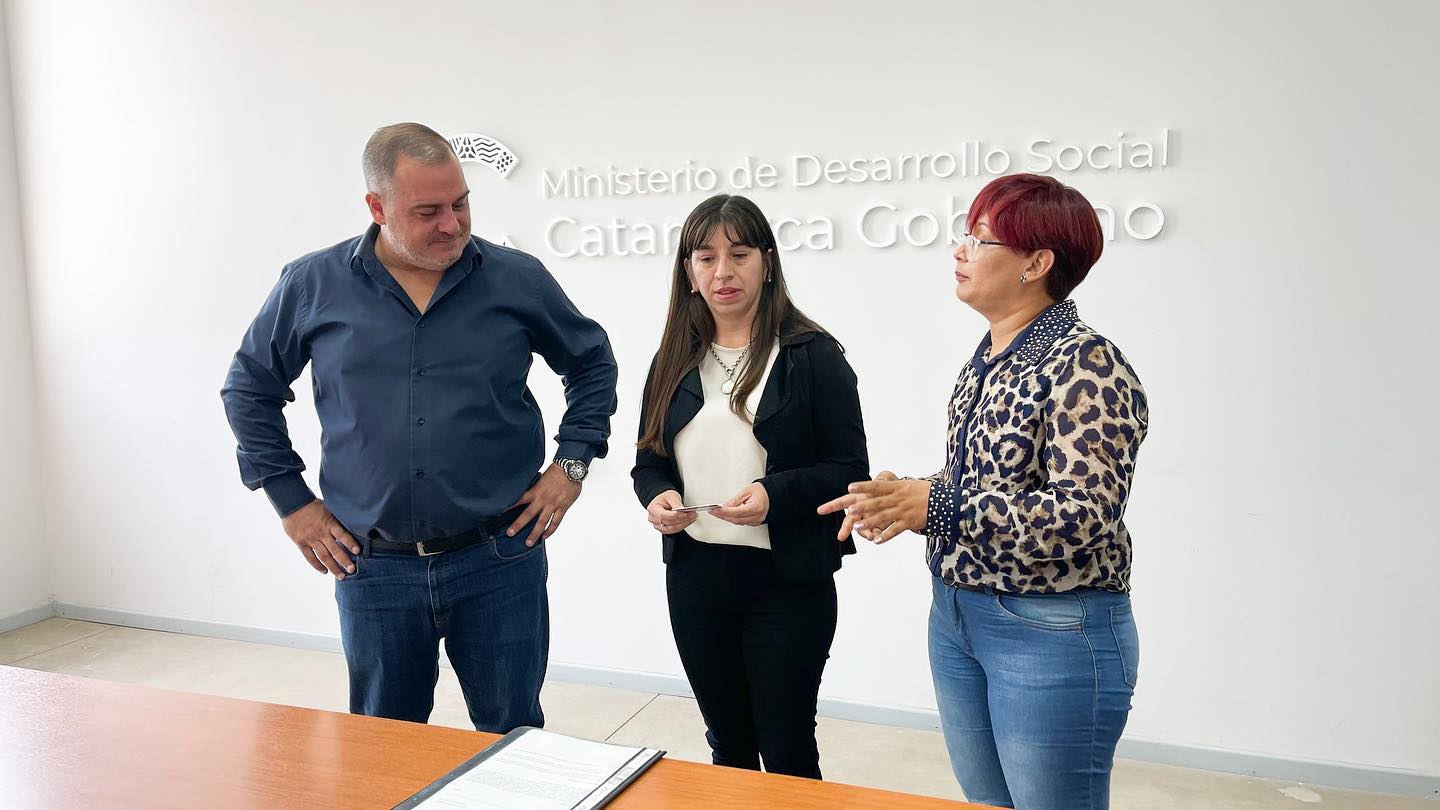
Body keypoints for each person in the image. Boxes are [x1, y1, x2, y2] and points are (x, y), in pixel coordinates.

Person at [221, 122, 618, 732]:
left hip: (498, 558)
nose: (452, 225)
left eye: (460, 204)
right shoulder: (313, 284)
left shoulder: (516, 278)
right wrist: (291, 501)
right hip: (372, 568)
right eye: (428, 211)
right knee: (383, 746)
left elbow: (591, 363)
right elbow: (249, 389)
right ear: (377, 207)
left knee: (515, 739)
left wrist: (572, 465)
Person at [820, 174, 1148, 808]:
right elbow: (986, 484)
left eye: (980, 238)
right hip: (958, 614)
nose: (960, 251)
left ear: (1036, 263)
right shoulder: (991, 356)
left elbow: (1083, 516)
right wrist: (909, 494)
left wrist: (937, 506)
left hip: (1051, 628)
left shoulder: (1087, 364)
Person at [631, 194, 868, 779]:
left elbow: (848, 468)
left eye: (739, 255)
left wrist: (773, 496)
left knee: (787, 748)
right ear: (688, 271)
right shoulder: (672, 360)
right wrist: (657, 497)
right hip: (695, 577)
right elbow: (649, 461)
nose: (723, 272)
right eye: (706, 257)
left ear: (767, 262)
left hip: (785, 582)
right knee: (728, 747)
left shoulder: (812, 355)